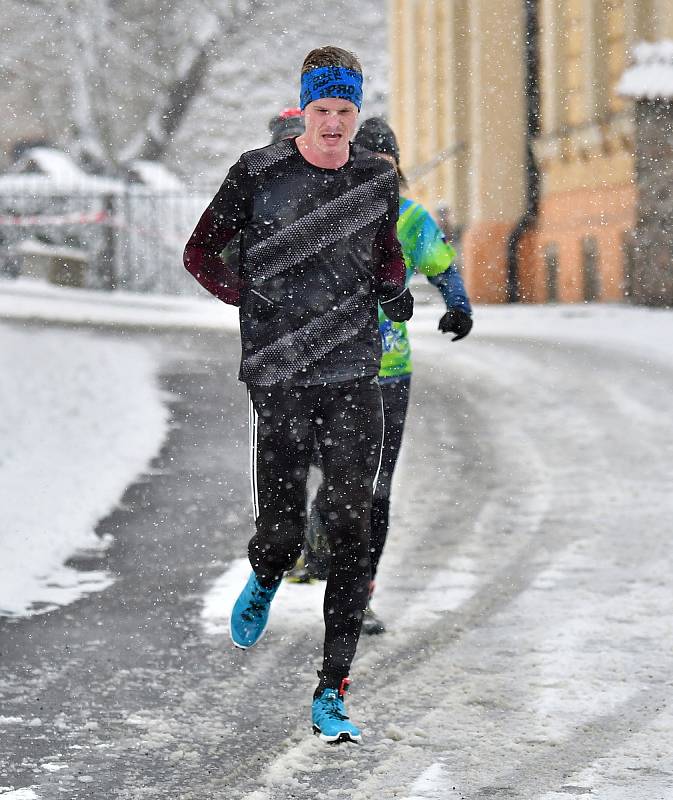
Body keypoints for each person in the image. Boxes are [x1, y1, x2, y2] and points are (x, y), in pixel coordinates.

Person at [183, 47, 413, 744]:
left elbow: (383, 254)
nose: (335, 124)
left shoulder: (376, 179)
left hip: (352, 371)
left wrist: (394, 288)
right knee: (283, 534)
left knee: (348, 521)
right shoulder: (258, 175)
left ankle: (331, 689)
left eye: (346, 111)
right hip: (281, 373)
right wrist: (246, 295)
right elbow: (201, 252)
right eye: (323, 111)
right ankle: (265, 571)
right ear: (303, 111)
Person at [293, 117, 473, 637]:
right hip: (323, 368)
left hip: (387, 374)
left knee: (374, 489)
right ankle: (314, 541)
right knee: (324, 474)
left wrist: (458, 306)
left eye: (384, 163)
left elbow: (443, 266)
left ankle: (357, 595)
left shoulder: (411, 218)